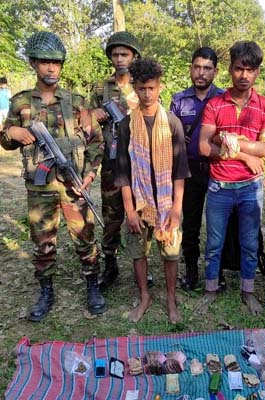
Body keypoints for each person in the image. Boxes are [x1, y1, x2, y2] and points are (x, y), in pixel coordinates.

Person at [0, 32, 106, 321]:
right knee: (42, 239)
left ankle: (92, 285)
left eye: (56, 63)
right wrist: (12, 133)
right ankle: (46, 290)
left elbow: (97, 141)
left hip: (73, 184)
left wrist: (91, 174)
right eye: (45, 62)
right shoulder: (21, 102)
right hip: (40, 186)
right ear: (33, 63)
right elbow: (6, 138)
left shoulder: (77, 101)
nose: (51, 68)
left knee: (85, 235)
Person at [197, 41, 265, 316]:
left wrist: (229, 140)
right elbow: (204, 148)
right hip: (219, 186)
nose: (244, 75)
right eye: (239, 69)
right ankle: (210, 290)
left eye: (250, 70)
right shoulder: (215, 105)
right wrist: (244, 151)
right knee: (214, 242)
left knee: (249, 243)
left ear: (257, 72)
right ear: (230, 69)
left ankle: (248, 292)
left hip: (250, 188)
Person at [114, 58, 190, 323]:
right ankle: (144, 296)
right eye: (141, 88)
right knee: (138, 252)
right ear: (134, 87)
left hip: (167, 202)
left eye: (152, 88)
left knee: (170, 252)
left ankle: (170, 298)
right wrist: (129, 211)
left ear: (160, 87)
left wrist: (177, 209)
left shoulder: (172, 123)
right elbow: (122, 172)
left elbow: (180, 170)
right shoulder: (125, 125)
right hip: (138, 202)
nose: (147, 94)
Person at [170, 47, 239, 292]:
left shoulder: (224, 98)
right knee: (190, 226)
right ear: (190, 68)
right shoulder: (179, 100)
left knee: (218, 225)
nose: (201, 73)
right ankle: (191, 271)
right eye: (197, 67)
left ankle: (217, 272)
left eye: (207, 68)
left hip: (218, 170)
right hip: (189, 172)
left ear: (215, 71)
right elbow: (173, 140)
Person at [89, 31, 142, 290]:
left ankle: (140, 266)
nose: (120, 58)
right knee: (111, 217)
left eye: (125, 54)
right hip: (111, 163)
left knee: (140, 216)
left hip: (138, 163)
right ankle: (110, 265)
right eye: (115, 54)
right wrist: (93, 113)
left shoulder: (143, 83)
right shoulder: (101, 88)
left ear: (134, 56)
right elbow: (88, 125)